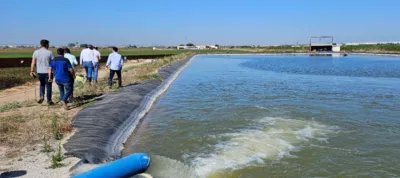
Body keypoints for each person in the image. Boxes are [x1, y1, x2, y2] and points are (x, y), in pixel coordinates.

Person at [30, 39, 54, 105]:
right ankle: (49, 100)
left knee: (42, 84)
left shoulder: (36, 52)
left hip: (39, 72)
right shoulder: (49, 52)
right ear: (46, 45)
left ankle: (41, 96)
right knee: (49, 86)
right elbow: (53, 63)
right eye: (48, 44)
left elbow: (33, 62)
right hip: (48, 72)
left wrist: (32, 71)